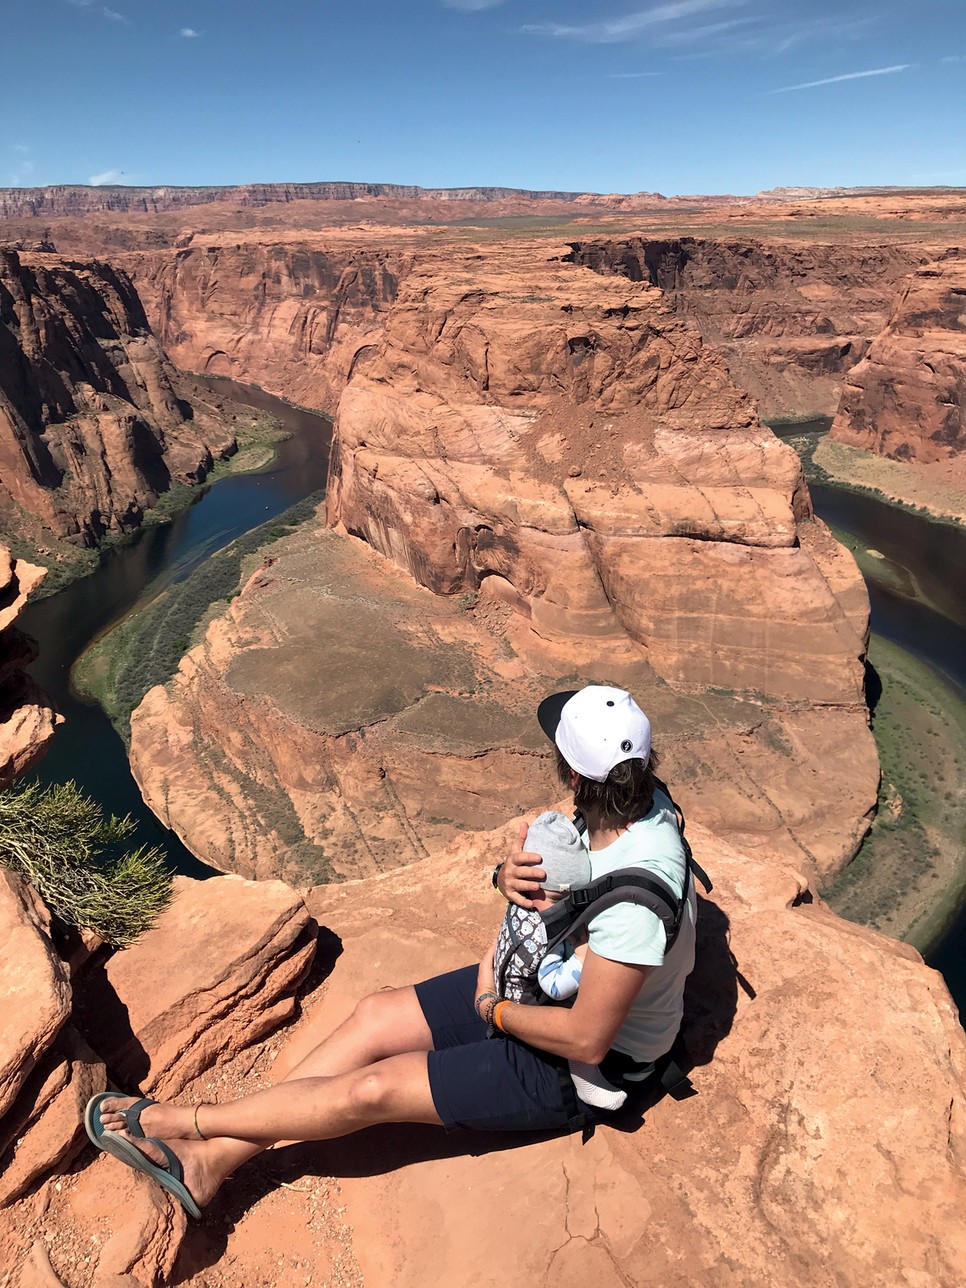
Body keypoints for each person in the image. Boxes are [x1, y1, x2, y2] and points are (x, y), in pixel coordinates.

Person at [85, 684, 697, 1220]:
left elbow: (587, 1038)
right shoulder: (630, 798)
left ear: (572, 772)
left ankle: (196, 1125)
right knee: (375, 1016)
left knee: (372, 1091)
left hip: (589, 1064)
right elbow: (558, 882)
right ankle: (214, 1163)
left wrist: (491, 1009)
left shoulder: (634, 908)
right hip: (537, 978)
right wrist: (503, 878)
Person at [492, 808, 627, 1111]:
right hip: (525, 1005)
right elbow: (554, 986)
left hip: (506, 981)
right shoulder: (545, 933)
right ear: (533, 886)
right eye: (557, 899)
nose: (564, 908)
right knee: (578, 1008)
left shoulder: (526, 906)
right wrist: (581, 957)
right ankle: (585, 1078)